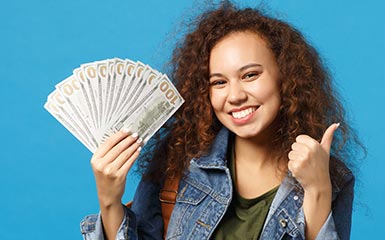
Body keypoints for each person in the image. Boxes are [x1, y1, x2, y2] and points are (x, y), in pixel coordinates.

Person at [81, 1, 362, 239]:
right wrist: (109, 201)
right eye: (218, 82)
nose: (235, 96)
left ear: (285, 77)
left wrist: (318, 190)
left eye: (250, 75)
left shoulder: (331, 177)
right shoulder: (178, 158)